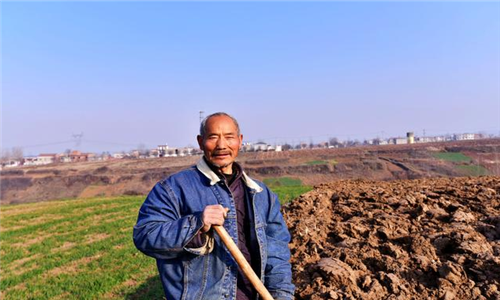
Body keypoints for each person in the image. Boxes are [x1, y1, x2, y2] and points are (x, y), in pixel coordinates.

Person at [133, 112, 295, 300]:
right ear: (201, 142)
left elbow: (277, 252)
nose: (221, 145)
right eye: (213, 137)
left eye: (229, 137)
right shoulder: (173, 189)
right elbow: (145, 235)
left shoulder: (261, 194)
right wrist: (196, 224)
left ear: (240, 140)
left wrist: (281, 294)